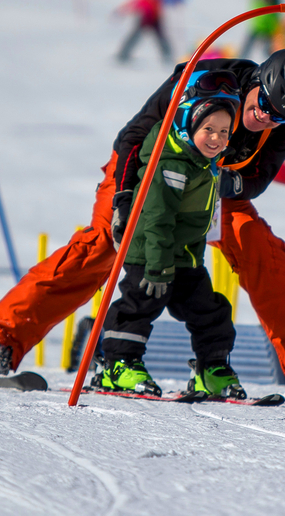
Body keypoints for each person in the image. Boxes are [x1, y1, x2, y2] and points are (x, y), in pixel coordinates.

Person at [0, 48, 285, 405]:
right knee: (101, 248)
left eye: (279, 116)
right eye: (263, 103)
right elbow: (133, 136)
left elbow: (259, 179)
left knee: (260, 248)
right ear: (257, 80)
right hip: (146, 172)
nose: (266, 117)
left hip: (209, 188)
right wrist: (125, 197)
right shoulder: (204, 79)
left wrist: (230, 184)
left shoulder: (282, 124)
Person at [98, 70, 245, 399]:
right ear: (187, 125)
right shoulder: (171, 165)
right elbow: (158, 218)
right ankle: (118, 365)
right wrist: (157, 265)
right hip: (150, 255)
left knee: (211, 311)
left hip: (184, 258)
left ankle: (212, 368)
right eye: (208, 129)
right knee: (139, 306)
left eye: (224, 131)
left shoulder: (201, 163)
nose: (217, 138)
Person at [114, 0, 172, 64]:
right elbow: (132, 4)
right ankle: (123, 55)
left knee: (161, 39)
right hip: (144, 20)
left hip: (154, 20)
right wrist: (122, 11)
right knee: (134, 37)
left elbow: (160, 9)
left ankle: (167, 55)